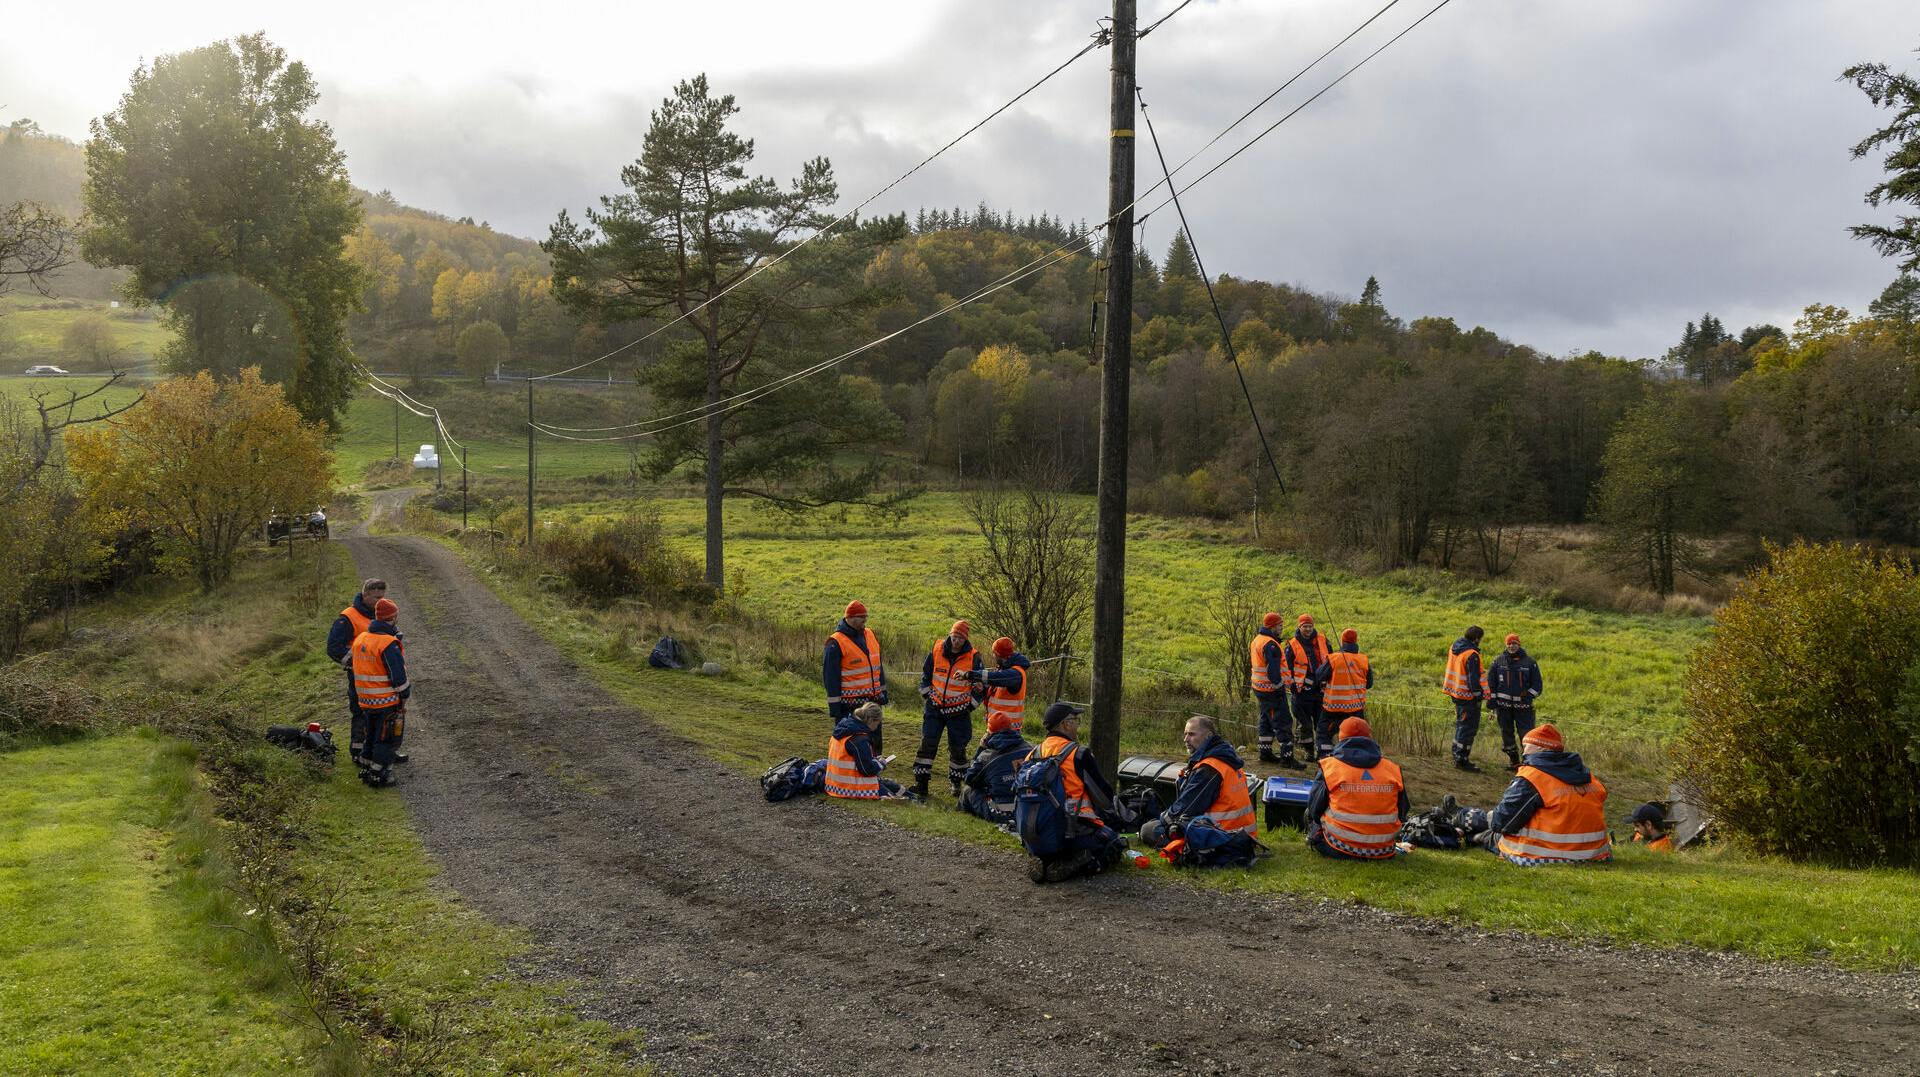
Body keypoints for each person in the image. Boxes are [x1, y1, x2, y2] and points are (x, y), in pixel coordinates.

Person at [1480, 724, 1612, 865]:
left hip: (1542, 854)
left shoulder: (1532, 777)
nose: (1523, 752)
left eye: (1526, 746)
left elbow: (1502, 821)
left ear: (1541, 748)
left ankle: (1463, 824)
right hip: (1595, 854)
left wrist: (1482, 818)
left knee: (1491, 830)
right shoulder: (1590, 777)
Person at [1026, 701, 1128, 883]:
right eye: (1075, 720)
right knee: (1113, 842)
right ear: (1065, 724)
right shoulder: (1078, 754)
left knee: (1053, 841)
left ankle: (1045, 859)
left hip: (1035, 836)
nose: (1077, 725)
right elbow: (1105, 798)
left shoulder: (1033, 753)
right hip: (1071, 833)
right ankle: (1077, 862)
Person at [1139, 715, 1259, 866]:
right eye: (1185, 734)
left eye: (1191, 734)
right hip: (1243, 836)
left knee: (1148, 830)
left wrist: (1161, 821)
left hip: (1222, 838)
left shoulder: (1209, 768)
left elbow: (1185, 809)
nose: (1186, 739)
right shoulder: (1226, 758)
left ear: (1208, 736)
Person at [1304, 716, 1409, 859]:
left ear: (1340, 738)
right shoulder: (1392, 769)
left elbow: (1315, 809)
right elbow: (1403, 810)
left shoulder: (1330, 766)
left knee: (1310, 815)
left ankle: (1314, 837)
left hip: (1338, 848)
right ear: (1370, 738)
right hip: (1383, 850)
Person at [915, 621, 982, 799]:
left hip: (959, 713)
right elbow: (925, 675)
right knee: (928, 743)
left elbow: (980, 687)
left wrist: (969, 706)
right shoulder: (937, 649)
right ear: (950, 634)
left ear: (965, 638)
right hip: (934, 709)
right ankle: (921, 783)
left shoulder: (973, 657)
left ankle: (956, 783)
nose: (957, 640)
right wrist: (927, 696)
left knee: (958, 748)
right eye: (954, 636)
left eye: (960, 637)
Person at [350, 598, 410, 787]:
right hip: (386, 700)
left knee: (372, 735)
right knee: (387, 738)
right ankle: (380, 774)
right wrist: (405, 693)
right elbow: (398, 676)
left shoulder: (361, 638)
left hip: (366, 700)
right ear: (392, 618)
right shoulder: (388, 643)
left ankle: (367, 767)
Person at [326, 578, 384, 766]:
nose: (380, 601)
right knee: (360, 712)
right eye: (376, 597)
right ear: (365, 595)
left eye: (382, 597)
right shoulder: (348, 617)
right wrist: (355, 664)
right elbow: (334, 648)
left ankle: (381, 750)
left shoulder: (381, 614)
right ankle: (358, 752)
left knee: (384, 714)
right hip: (360, 677)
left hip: (382, 676)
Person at [957, 686, 1035, 826]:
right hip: (1029, 809)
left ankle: (961, 816)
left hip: (1004, 813)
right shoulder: (1031, 748)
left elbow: (970, 779)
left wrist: (981, 748)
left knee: (969, 791)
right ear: (1012, 728)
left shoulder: (987, 756)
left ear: (990, 732)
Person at [824, 600, 888, 753]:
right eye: (861, 617)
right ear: (850, 618)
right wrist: (836, 710)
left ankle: (873, 772)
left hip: (873, 704)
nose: (865, 620)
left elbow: (878, 667)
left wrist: (883, 694)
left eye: (866, 616)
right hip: (849, 707)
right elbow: (830, 679)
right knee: (852, 746)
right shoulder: (835, 642)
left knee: (874, 745)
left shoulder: (870, 635)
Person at [825, 701, 906, 800]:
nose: (877, 727)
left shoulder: (843, 730)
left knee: (893, 786)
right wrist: (882, 763)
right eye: (877, 723)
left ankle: (914, 799)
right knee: (895, 794)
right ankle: (915, 802)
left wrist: (874, 760)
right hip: (852, 789)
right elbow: (867, 769)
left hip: (834, 785)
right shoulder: (859, 739)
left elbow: (853, 759)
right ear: (872, 720)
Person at [1486, 633, 1544, 770]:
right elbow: (1491, 684)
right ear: (1506, 645)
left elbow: (1537, 685)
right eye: (1509, 644)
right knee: (1506, 733)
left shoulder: (1530, 663)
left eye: (1515, 644)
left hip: (1523, 708)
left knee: (1526, 735)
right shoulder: (1497, 661)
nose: (1512, 646)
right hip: (1503, 707)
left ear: (1519, 645)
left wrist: (1528, 696)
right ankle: (1514, 762)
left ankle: (1528, 763)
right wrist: (1492, 702)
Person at [1280, 614, 1331, 766]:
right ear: (1299, 627)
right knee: (1305, 724)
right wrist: (1292, 686)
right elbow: (1286, 668)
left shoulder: (1323, 641)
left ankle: (1323, 753)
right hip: (1301, 691)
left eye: (1310, 626)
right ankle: (1308, 751)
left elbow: (1331, 661)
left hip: (1321, 689)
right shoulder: (1292, 645)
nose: (1308, 629)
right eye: (1305, 626)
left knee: (1321, 723)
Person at [1315, 629, 1372, 757]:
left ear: (1342, 641)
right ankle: (1355, 759)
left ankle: (1326, 759)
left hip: (1334, 707)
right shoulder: (1364, 660)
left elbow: (1319, 675)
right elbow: (1369, 684)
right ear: (1356, 641)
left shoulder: (1334, 658)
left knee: (1324, 733)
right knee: (1357, 735)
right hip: (1356, 708)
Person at [1444, 625, 1490, 772]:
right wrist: (1479, 696)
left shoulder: (1455, 647)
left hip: (1456, 692)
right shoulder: (1472, 654)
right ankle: (1462, 759)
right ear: (1477, 638)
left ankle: (1456, 754)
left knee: (1461, 725)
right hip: (1468, 697)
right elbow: (1473, 679)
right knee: (1468, 728)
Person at [1250, 612, 1288, 764]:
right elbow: (1273, 671)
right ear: (1272, 626)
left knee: (1265, 719)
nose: (1281, 628)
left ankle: (1265, 752)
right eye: (1279, 625)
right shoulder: (1271, 644)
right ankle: (1287, 757)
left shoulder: (1257, 640)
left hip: (1259, 687)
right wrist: (1279, 688)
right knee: (1282, 720)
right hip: (1271, 690)